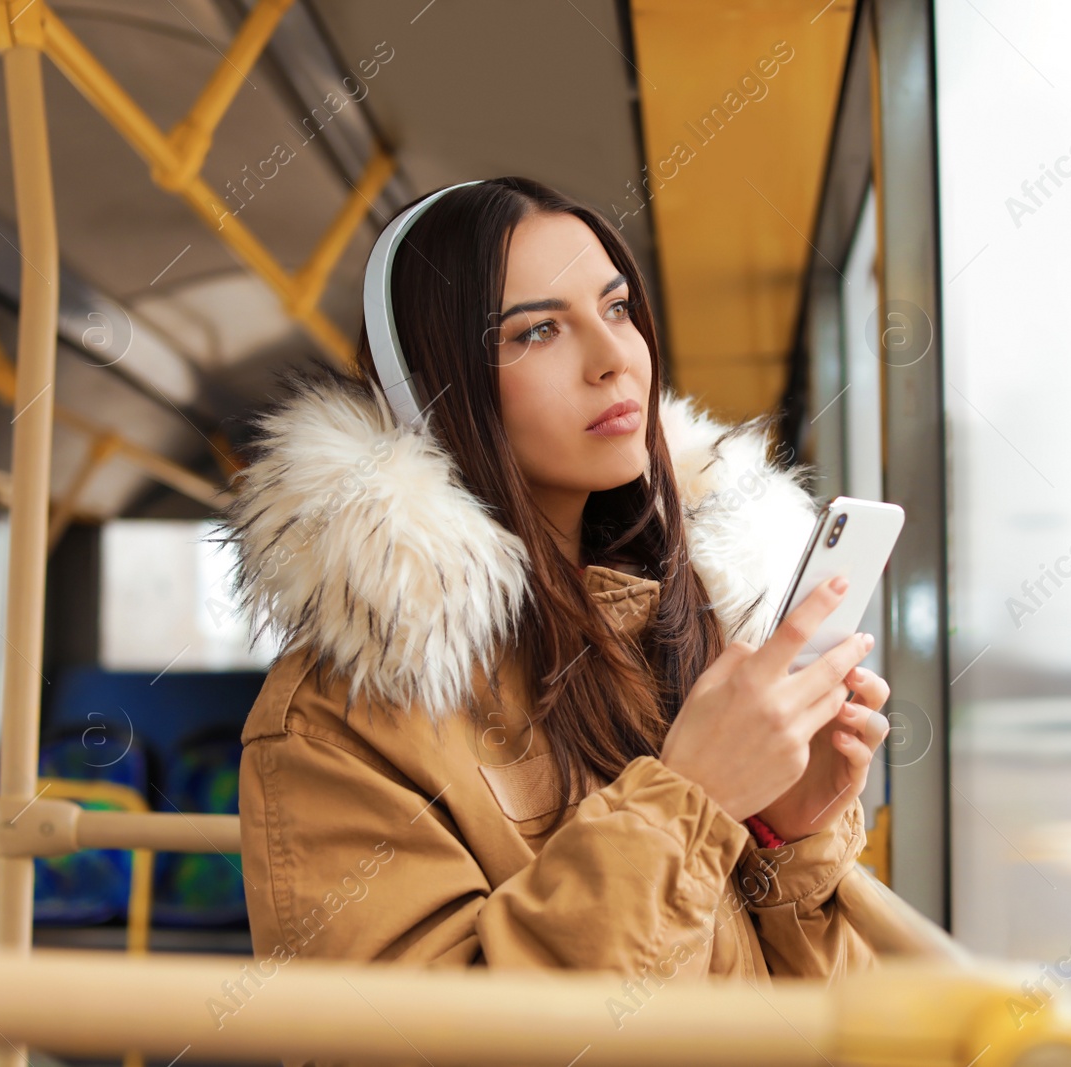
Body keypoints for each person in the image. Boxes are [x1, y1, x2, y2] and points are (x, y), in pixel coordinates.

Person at [224, 176, 890, 988]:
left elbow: (808, 1017)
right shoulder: (336, 721)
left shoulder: (684, 629)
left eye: (616, 309)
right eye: (539, 331)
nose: (614, 359)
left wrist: (788, 838)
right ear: (437, 388)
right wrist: (692, 799)